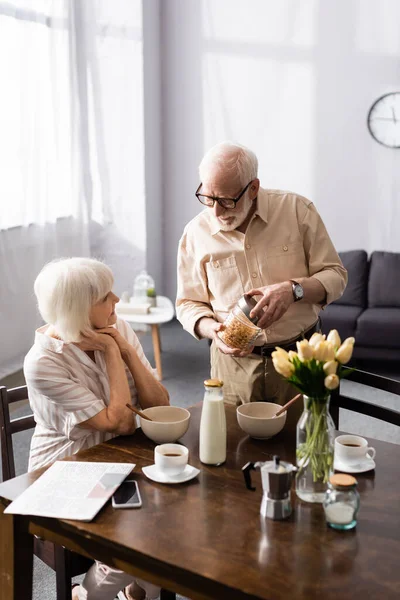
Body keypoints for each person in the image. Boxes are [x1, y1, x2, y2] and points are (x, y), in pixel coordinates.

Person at [24, 257, 169, 600]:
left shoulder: (117, 326)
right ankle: (89, 595)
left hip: (121, 460)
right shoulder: (42, 362)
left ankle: (135, 592)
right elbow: (119, 422)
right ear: (78, 309)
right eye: (106, 296)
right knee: (140, 539)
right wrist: (109, 350)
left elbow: (160, 407)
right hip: (66, 470)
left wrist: (127, 353)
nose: (117, 300)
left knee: (176, 522)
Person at [176, 141, 347, 428]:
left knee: (302, 447)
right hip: (232, 367)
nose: (216, 212)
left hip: (299, 358)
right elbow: (187, 304)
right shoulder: (195, 233)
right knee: (231, 455)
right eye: (208, 198)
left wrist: (294, 290)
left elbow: (335, 276)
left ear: (253, 188)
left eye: (228, 200)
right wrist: (210, 329)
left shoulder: (297, 210)